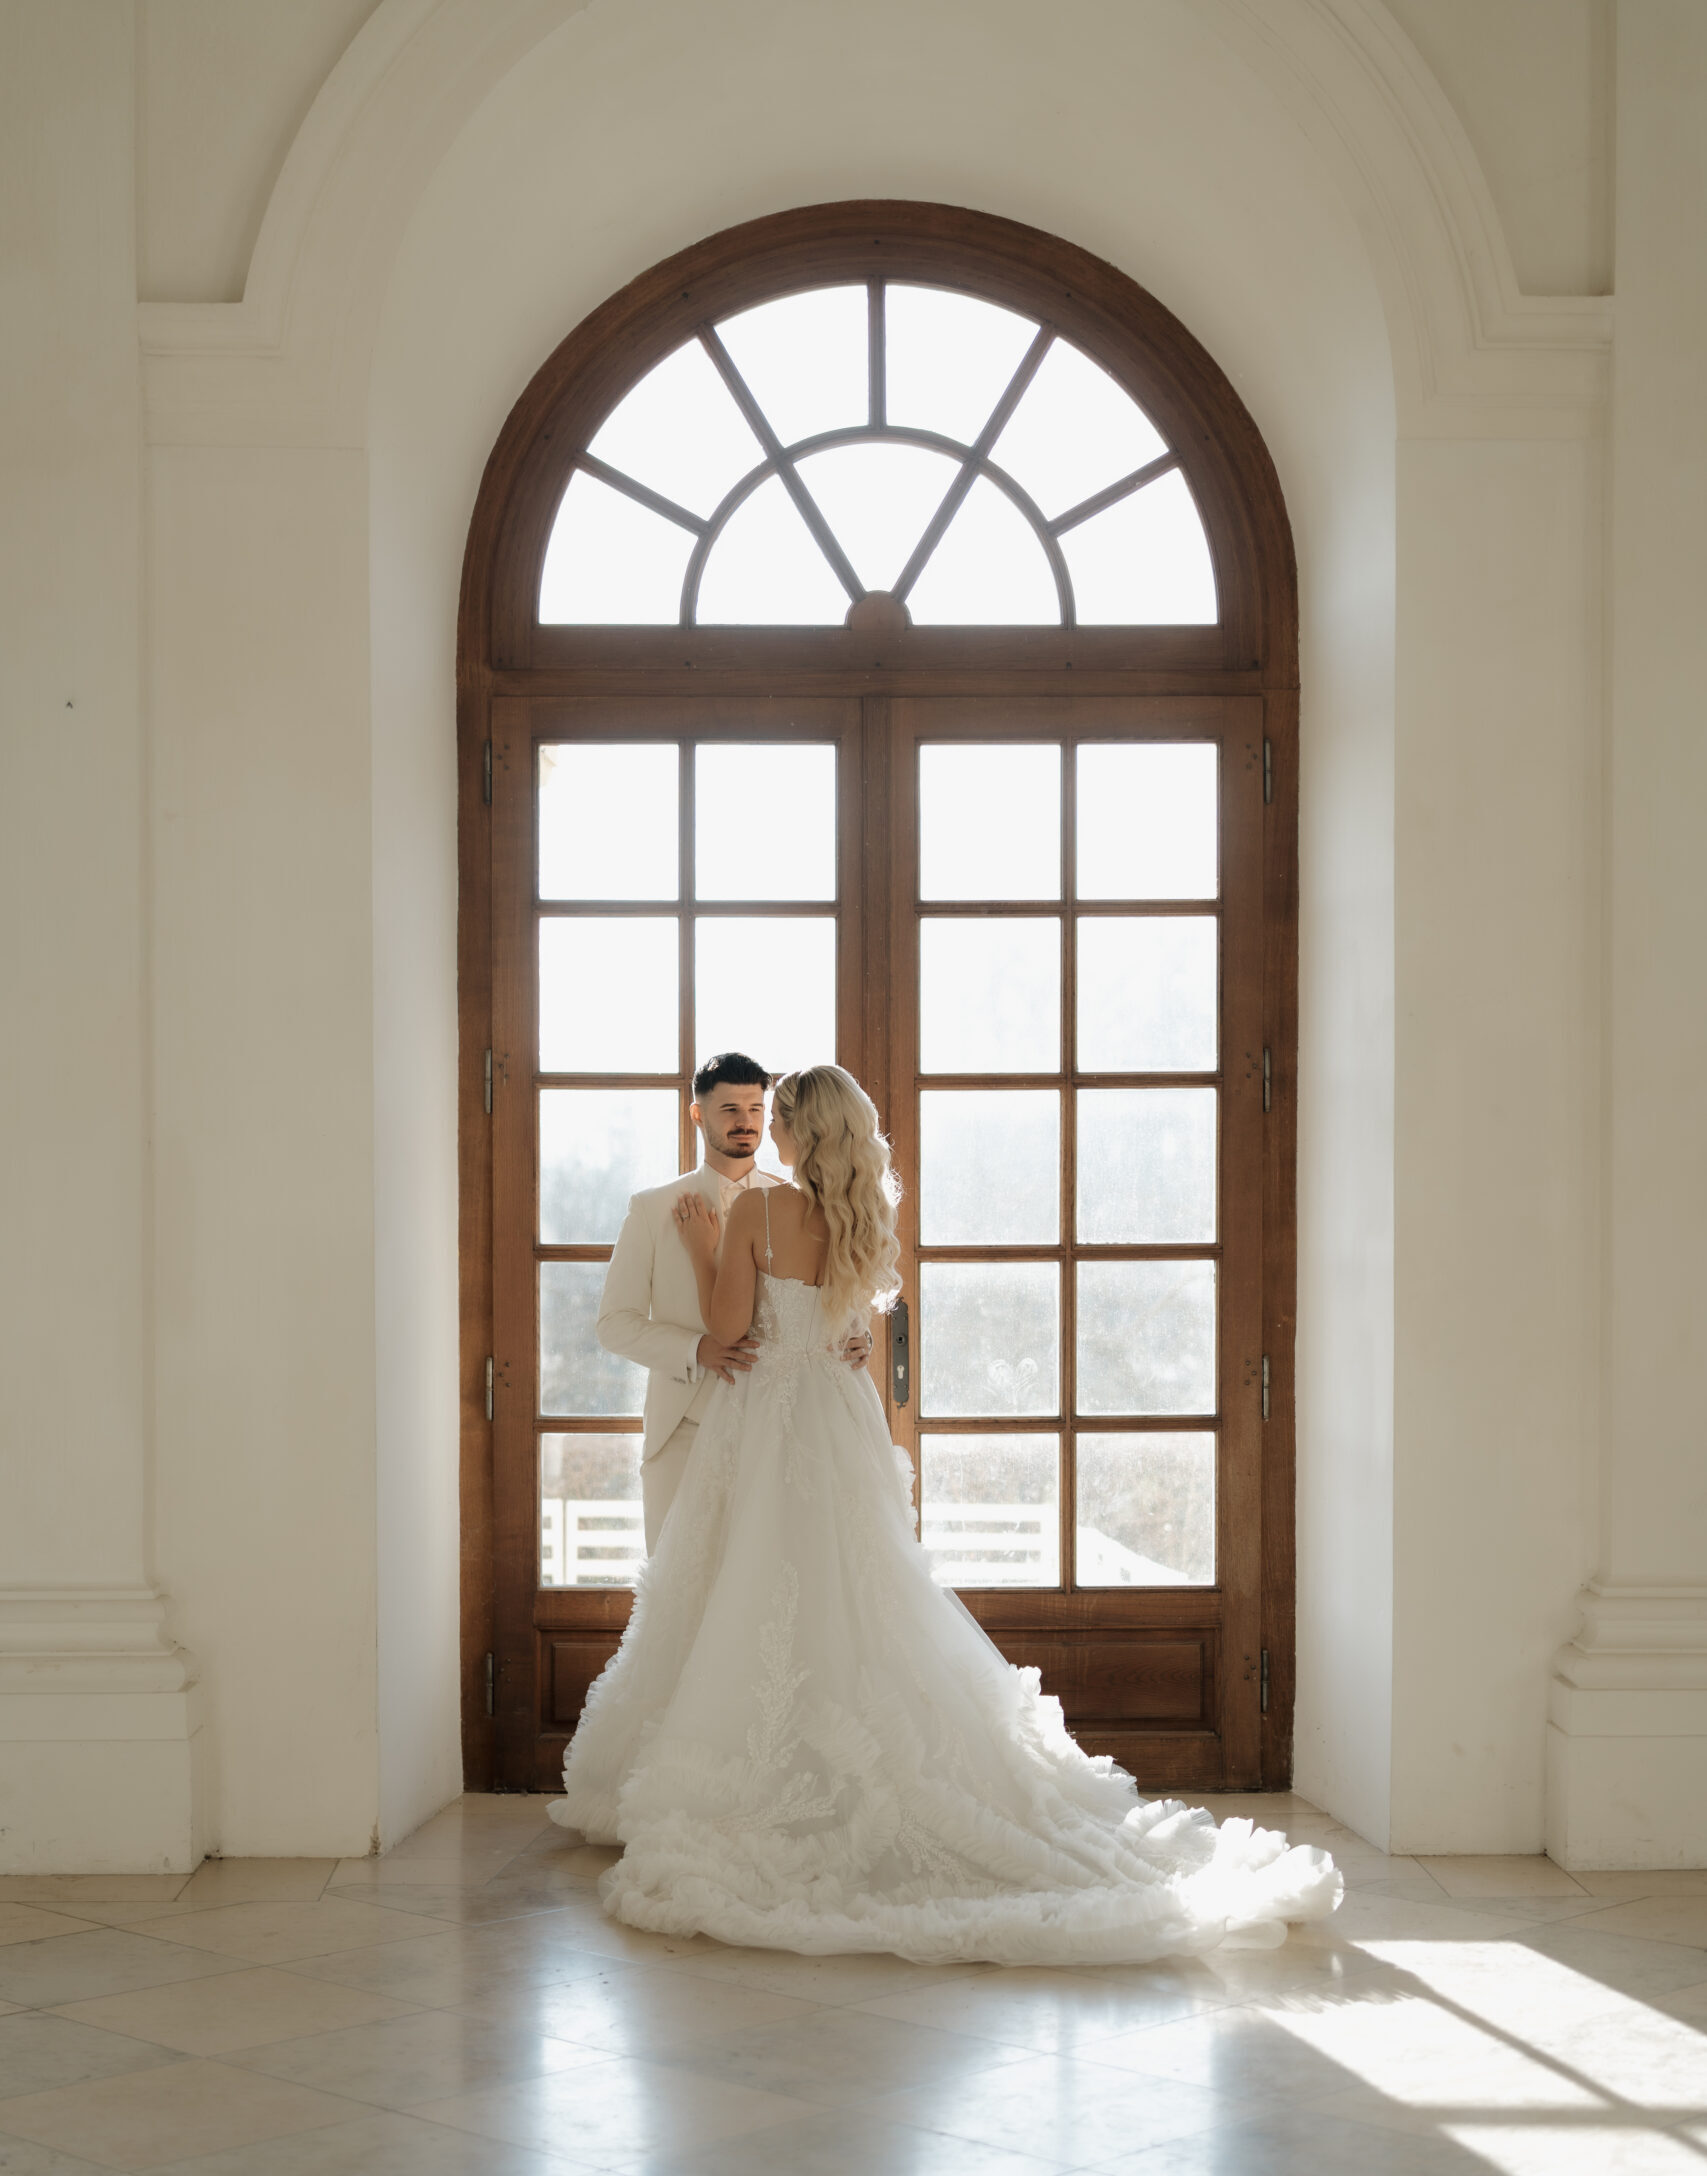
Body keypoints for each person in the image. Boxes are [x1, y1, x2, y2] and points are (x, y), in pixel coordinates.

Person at [552, 1064, 1340, 1966]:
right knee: (851, 1593)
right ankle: (842, 1771)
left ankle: (784, 1778)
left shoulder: (757, 1213)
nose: (760, 1129)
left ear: (796, 1130)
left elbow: (731, 1333)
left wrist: (705, 1251)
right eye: (740, 1112)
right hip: (840, 1424)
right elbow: (852, 1323)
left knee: (759, 1590)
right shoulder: (864, 1216)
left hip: (768, 1422)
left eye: (773, 1117)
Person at [596, 1052, 871, 1552]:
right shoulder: (653, 1208)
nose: (746, 1122)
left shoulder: (805, 1201)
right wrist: (696, 1349)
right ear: (698, 1113)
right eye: (729, 1110)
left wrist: (857, 1334)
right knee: (683, 1589)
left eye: (756, 1108)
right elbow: (614, 1323)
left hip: (779, 1436)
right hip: (684, 1426)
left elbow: (825, 1298)